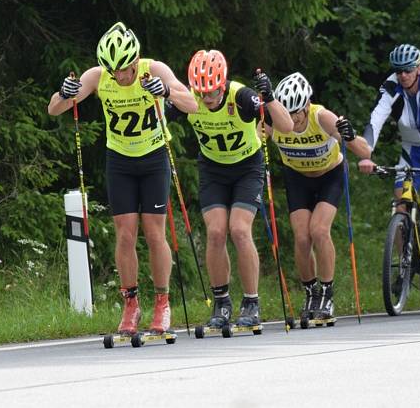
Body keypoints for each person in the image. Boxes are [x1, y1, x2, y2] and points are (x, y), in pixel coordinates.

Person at [47, 22, 198, 335]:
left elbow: (192, 104)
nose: (121, 77)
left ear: (136, 61)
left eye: (126, 70)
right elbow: (55, 109)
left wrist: (167, 91)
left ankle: (162, 303)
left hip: (154, 157)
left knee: (154, 233)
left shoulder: (153, 69)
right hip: (120, 160)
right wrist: (65, 93)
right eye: (114, 71)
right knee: (125, 234)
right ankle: (131, 305)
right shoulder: (98, 76)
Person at [165, 50, 293, 329]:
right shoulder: (191, 100)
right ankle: (221, 302)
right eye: (201, 92)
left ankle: (251, 302)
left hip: (247, 167)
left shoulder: (242, 97)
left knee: (239, 229)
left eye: (211, 92)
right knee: (215, 232)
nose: (206, 98)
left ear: (223, 85)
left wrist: (269, 97)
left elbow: (287, 126)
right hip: (213, 170)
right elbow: (157, 119)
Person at [261, 72, 370, 322]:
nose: (293, 120)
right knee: (301, 237)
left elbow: (364, 151)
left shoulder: (322, 117)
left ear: (307, 105)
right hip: (297, 177)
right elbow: (253, 141)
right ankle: (311, 292)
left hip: (329, 175)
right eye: (287, 114)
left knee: (319, 231)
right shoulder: (273, 120)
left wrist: (351, 136)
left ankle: (328, 293)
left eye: (297, 113)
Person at [357, 44, 420, 245]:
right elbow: (374, 122)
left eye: (408, 70)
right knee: (400, 208)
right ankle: (403, 267)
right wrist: (365, 155)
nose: (403, 75)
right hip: (411, 149)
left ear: (419, 68)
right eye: (398, 71)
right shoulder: (390, 87)